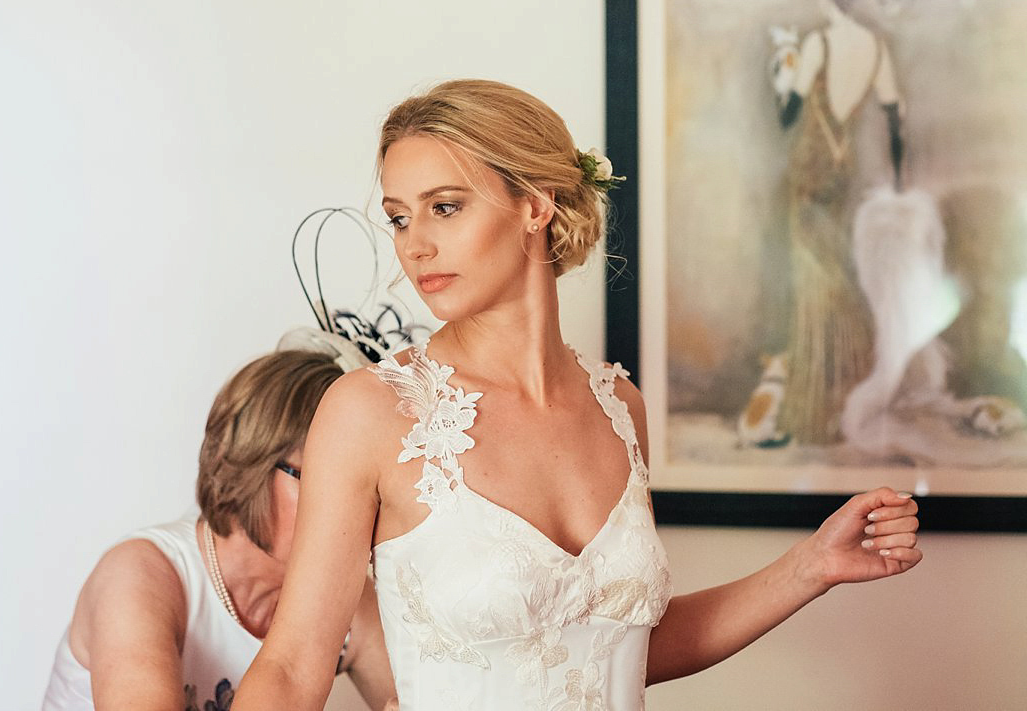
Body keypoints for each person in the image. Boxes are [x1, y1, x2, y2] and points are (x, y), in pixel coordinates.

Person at [233, 79, 922, 710]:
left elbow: (625, 646)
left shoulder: (621, 405)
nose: (415, 244)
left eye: (444, 207)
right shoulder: (372, 411)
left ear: (535, 204)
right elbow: (294, 667)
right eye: (399, 217)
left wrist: (810, 566)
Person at [42, 350, 397, 711]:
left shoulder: (350, 598)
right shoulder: (137, 577)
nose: (353, 502)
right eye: (318, 477)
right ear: (251, 461)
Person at [773, 0, 929, 444]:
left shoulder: (817, 43)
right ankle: (841, 398)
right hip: (842, 177)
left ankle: (816, 410)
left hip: (809, 173)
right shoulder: (876, 48)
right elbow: (894, 118)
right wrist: (902, 180)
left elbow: (789, 113)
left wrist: (784, 74)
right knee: (834, 271)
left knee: (813, 283)